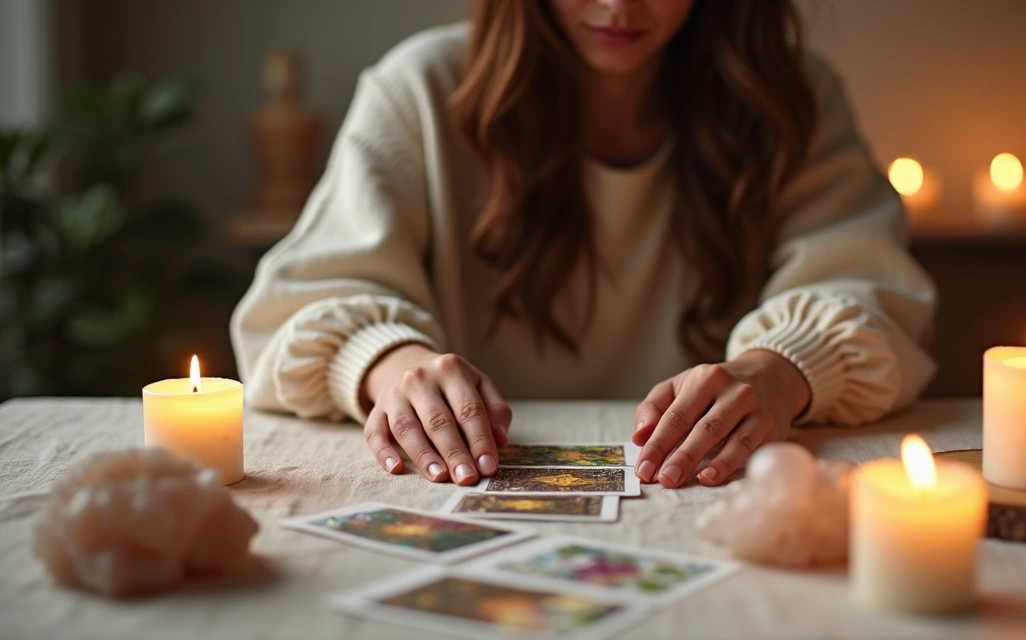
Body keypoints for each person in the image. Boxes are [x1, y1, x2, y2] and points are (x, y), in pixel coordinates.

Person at [231, 0, 936, 491]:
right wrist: (388, 362)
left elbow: (865, 285)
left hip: (711, 493)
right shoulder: (418, 88)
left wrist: (781, 371)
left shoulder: (796, 96)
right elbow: (296, 306)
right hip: (464, 489)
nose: (617, 5)